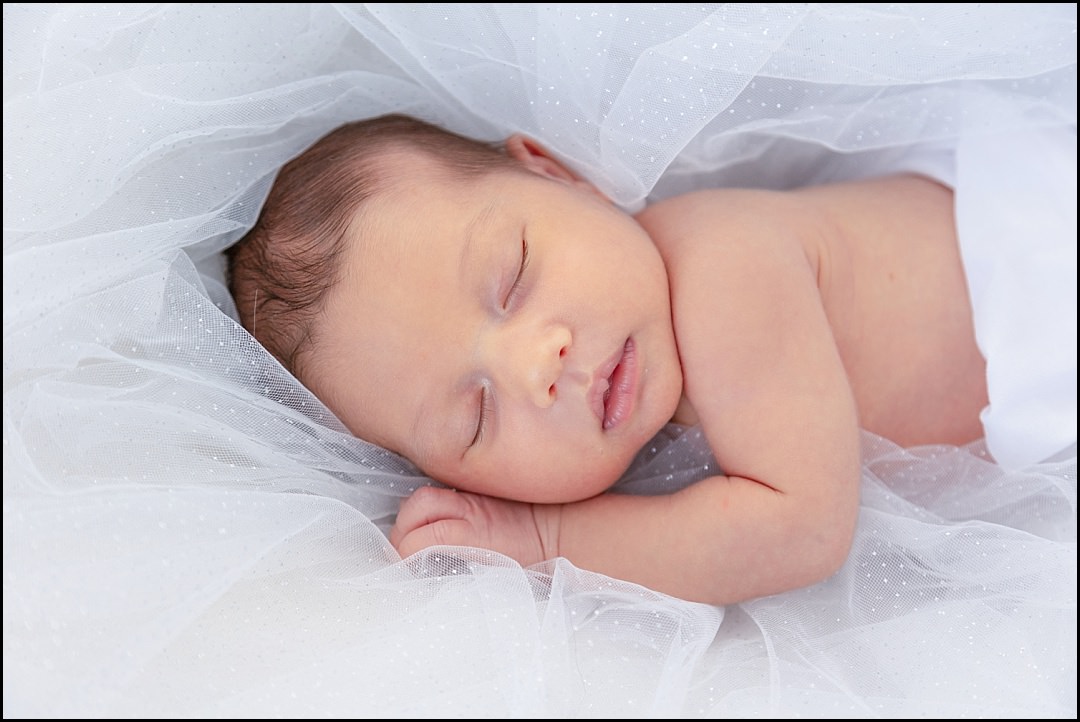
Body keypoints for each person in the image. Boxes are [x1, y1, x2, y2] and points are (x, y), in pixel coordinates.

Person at [226, 113, 1005, 606]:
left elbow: (801, 531)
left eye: (513, 276)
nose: (539, 365)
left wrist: (542, 543)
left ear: (556, 174)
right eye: (477, 416)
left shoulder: (721, 267)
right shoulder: (643, 430)